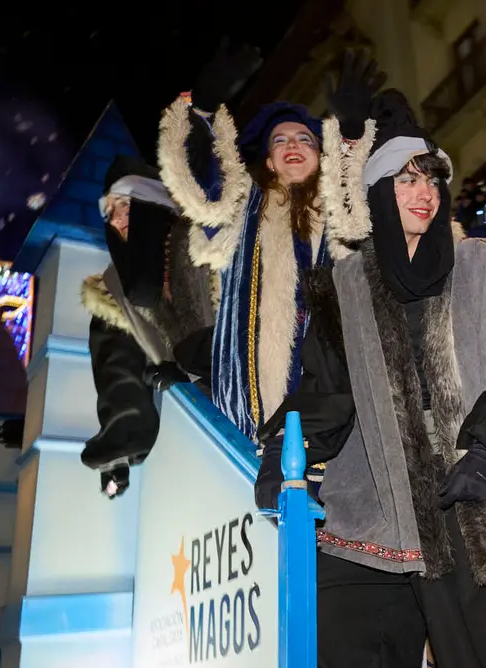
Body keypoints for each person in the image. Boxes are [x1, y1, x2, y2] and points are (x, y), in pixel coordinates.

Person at [253, 79, 486, 668]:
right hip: (395, 510)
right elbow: (325, 393)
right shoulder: (346, 288)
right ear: (376, 192)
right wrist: (279, 457)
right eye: (406, 179)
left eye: (431, 179)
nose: (423, 193)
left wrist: (485, 449)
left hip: (483, 495)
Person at [156, 48, 378, 442]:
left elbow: (359, 215)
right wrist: (201, 110)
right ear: (272, 161)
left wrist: (352, 134)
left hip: (332, 393)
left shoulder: (340, 211)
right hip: (247, 389)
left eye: (304, 139)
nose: (292, 144)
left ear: (319, 154)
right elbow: (203, 184)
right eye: (281, 140)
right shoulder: (243, 210)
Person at [80, 155, 217, 498]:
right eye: (110, 212)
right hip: (204, 434)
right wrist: (118, 453)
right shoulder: (116, 295)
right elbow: (119, 376)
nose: (118, 219)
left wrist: (201, 367)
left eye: (126, 204)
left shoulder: (209, 245)